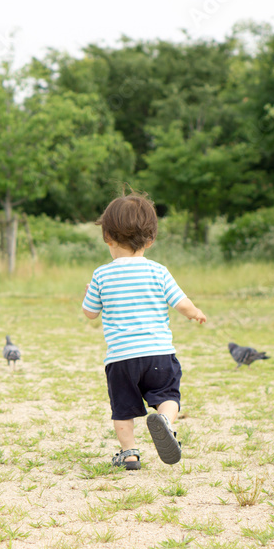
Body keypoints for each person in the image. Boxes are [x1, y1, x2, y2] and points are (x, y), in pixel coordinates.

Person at [82, 190, 207, 470]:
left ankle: (129, 454)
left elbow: (90, 313)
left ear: (107, 237)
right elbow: (181, 303)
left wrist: (89, 294)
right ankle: (165, 420)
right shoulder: (158, 271)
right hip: (159, 355)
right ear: (150, 239)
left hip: (121, 359)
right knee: (168, 396)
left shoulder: (101, 275)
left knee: (123, 409)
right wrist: (195, 313)